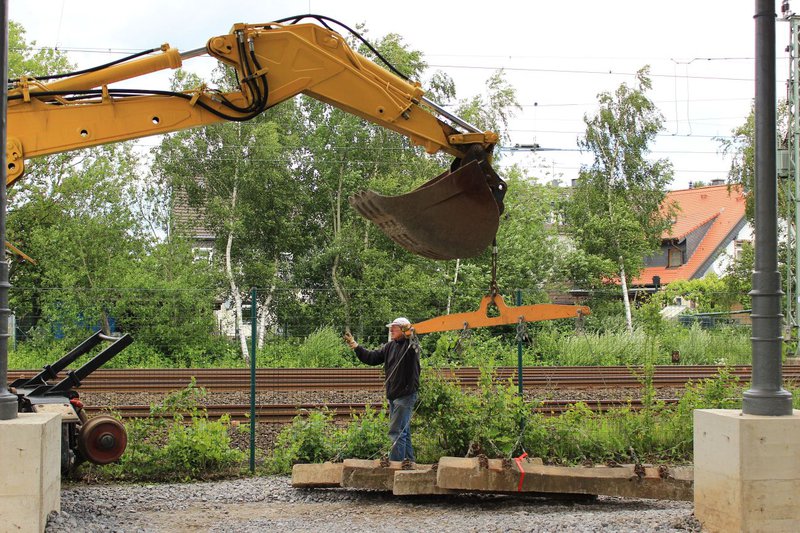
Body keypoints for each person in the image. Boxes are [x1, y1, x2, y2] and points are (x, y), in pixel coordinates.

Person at [343, 317, 420, 462]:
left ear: (404, 329)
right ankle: (409, 463)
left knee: (396, 432)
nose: (391, 330)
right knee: (404, 431)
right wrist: (355, 345)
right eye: (391, 328)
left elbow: (413, 338)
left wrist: (410, 332)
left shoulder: (410, 346)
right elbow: (372, 358)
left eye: (394, 328)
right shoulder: (390, 346)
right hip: (394, 395)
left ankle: (395, 464)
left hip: (405, 395)